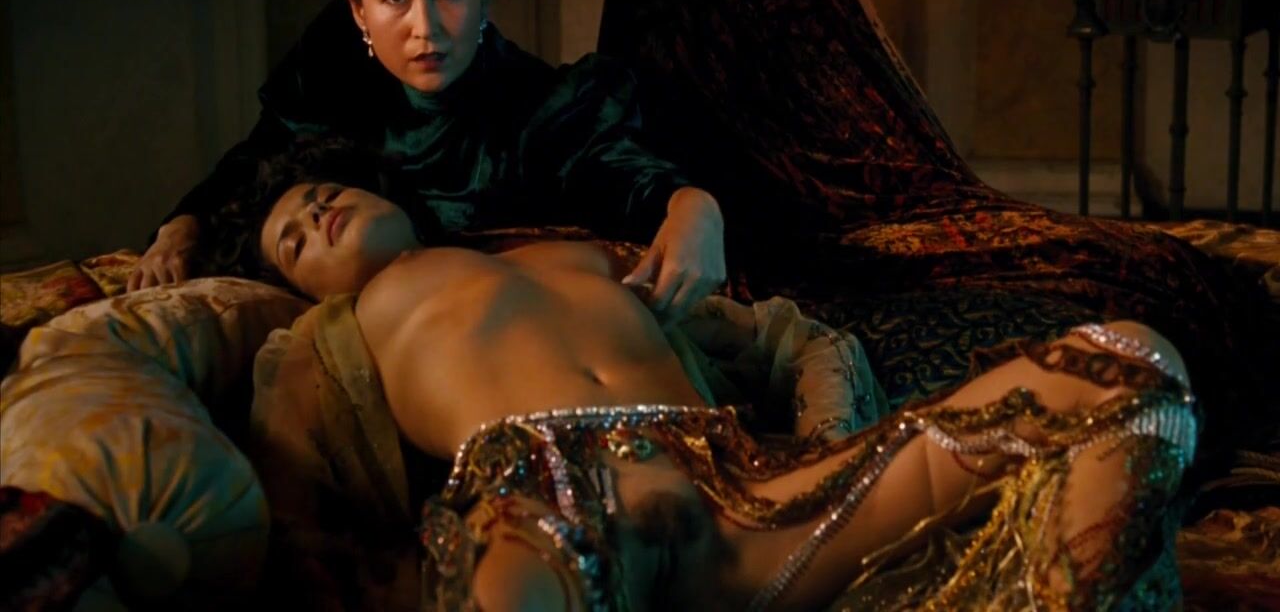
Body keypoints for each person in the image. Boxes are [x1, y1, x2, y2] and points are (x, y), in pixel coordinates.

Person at [246, 165, 1197, 611]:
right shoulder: (319, 340)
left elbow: (798, 341)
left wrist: (826, 441)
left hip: (745, 494)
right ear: (296, 285)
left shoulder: (579, 253)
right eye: (292, 239)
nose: (315, 213)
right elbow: (300, 520)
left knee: (1132, 364)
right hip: (541, 510)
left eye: (322, 192)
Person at [130, 0, 726, 327]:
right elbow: (260, 155)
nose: (426, 29)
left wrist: (694, 206)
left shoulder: (539, 106)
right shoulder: (334, 64)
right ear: (358, 9)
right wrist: (183, 225)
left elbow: (628, 175)